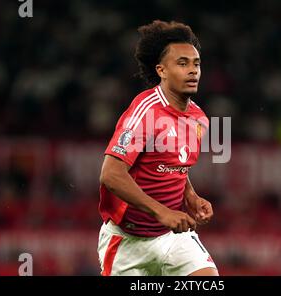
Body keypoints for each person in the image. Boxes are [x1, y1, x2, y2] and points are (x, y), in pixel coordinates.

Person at [97, 20, 218, 276]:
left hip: (172, 237)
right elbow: (111, 175)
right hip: (127, 241)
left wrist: (190, 196)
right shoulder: (146, 111)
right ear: (161, 70)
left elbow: (174, 164)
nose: (193, 71)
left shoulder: (198, 118)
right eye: (182, 63)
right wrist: (162, 211)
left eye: (196, 64)